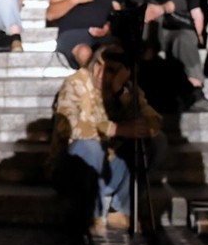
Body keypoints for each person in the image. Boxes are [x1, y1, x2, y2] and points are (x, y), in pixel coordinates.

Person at [50, 43, 163, 234]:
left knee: (156, 142)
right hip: (74, 169)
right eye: (98, 65)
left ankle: (120, 209)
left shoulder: (125, 89)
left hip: (111, 168)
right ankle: (90, 213)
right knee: (89, 146)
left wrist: (121, 93)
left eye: (111, 70)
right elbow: (66, 127)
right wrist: (114, 129)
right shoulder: (76, 83)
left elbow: (153, 122)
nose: (101, 73)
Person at [129, 0, 208, 111]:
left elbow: (195, 9)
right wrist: (156, 9)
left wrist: (199, 34)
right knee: (146, 25)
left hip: (178, 27)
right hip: (150, 29)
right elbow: (137, 1)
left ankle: (195, 89)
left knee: (185, 39)